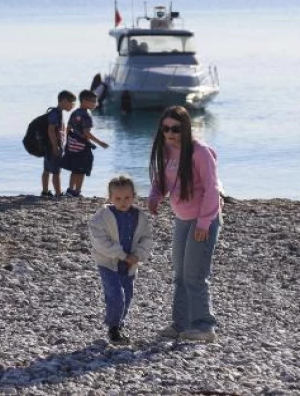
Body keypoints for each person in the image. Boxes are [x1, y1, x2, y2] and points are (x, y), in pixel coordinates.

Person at [148, 106, 222, 342]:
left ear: (186, 128)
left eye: (176, 129)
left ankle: (204, 326)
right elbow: (163, 179)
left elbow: (212, 189)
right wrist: (154, 197)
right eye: (166, 128)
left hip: (203, 220)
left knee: (195, 274)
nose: (170, 133)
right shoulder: (168, 150)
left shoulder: (199, 152)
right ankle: (180, 324)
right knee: (179, 274)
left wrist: (204, 223)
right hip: (182, 219)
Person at [89, 175, 154, 344]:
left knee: (128, 295)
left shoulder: (139, 217)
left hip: (130, 265)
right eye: (118, 198)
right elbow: (100, 242)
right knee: (116, 295)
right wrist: (123, 255)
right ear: (110, 198)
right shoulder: (101, 217)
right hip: (108, 263)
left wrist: (138, 255)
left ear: (134, 196)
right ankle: (113, 328)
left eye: (127, 198)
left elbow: (147, 238)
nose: (123, 202)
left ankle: (119, 325)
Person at [61, 90, 109, 197]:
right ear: (84, 101)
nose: (95, 103)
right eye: (92, 101)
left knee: (74, 169)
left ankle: (70, 190)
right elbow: (87, 133)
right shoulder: (86, 115)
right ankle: (77, 192)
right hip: (83, 147)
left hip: (73, 145)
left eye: (95, 101)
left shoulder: (75, 112)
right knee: (82, 169)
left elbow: (68, 128)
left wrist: (68, 142)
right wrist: (100, 143)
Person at [41, 90, 76, 198]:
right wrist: (55, 146)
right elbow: (51, 130)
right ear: (64, 101)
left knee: (47, 169)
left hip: (47, 146)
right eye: (72, 103)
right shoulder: (55, 113)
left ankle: (45, 192)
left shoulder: (55, 112)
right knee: (56, 172)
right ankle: (58, 193)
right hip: (53, 146)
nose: (73, 105)